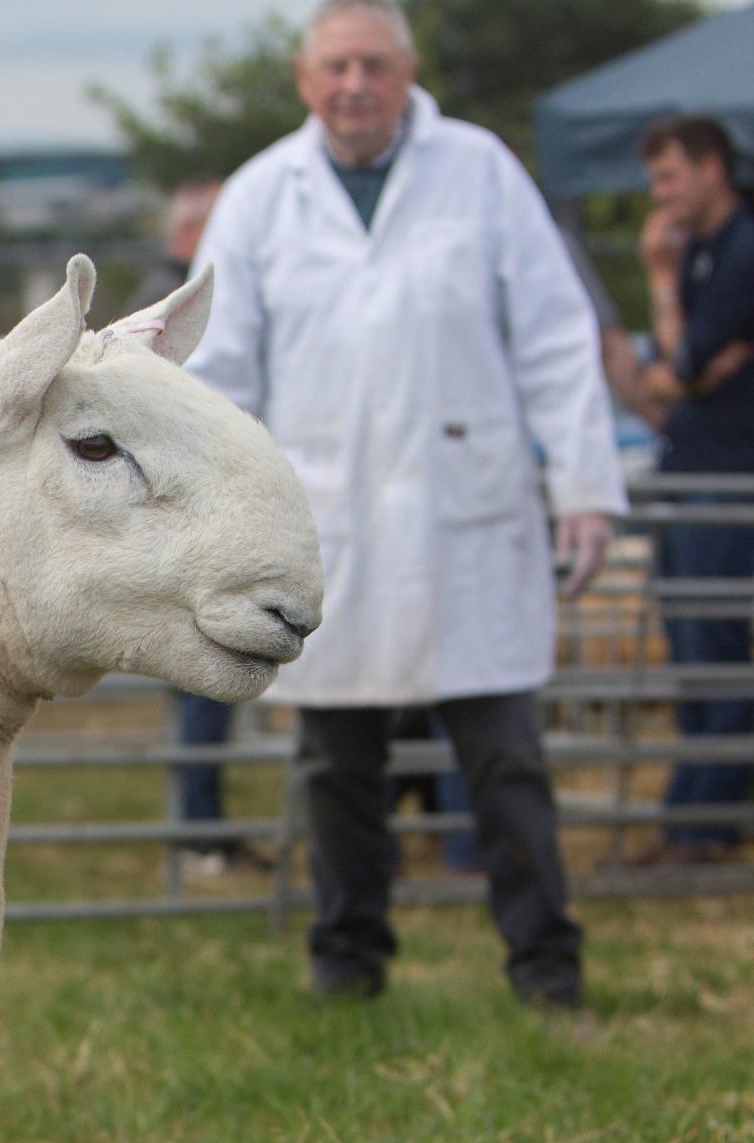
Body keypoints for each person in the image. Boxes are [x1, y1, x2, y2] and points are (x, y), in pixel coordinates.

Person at [187, 0, 626, 1009]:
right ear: (306, 78)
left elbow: (557, 338)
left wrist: (587, 487)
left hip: (466, 515)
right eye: (336, 66)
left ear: (409, 71)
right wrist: (220, 523)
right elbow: (222, 374)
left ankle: (548, 970)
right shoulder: (261, 197)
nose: (355, 85)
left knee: (506, 761)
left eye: (374, 66)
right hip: (331, 525)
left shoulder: (480, 173)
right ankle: (348, 965)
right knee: (338, 766)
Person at [623, 115, 754, 867]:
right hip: (693, 474)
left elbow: (679, 368)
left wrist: (661, 283)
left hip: (725, 482)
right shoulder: (709, 247)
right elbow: (677, 375)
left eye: (670, 177)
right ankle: (692, 815)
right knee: (694, 655)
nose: (660, 196)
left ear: (712, 168)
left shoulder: (737, 251)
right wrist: (684, 370)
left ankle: (706, 822)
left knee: (716, 651)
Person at [140, 179, 264, 878]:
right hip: (188, 527)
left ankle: (205, 831)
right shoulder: (170, 307)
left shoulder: (173, 295)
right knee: (203, 684)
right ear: (189, 235)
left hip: (198, 519)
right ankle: (200, 838)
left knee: (210, 690)